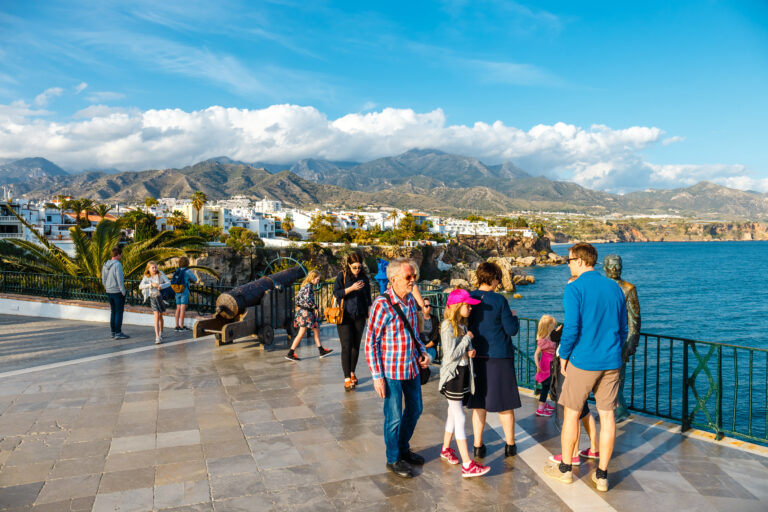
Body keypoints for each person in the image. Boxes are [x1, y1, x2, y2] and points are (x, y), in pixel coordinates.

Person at [543, 242, 627, 493]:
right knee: (608, 416)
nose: (568, 265)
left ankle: (566, 469)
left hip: (584, 361)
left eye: (569, 261)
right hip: (611, 361)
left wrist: (565, 357)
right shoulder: (614, 288)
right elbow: (623, 328)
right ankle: (602, 476)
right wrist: (613, 350)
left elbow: (571, 328)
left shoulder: (575, 288)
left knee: (571, 413)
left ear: (580, 261)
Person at [365, 257, 430, 478]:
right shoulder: (381, 305)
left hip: (411, 367)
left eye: (415, 277)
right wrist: (377, 376)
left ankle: (403, 448)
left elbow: (414, 334)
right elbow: (371, 341)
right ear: (393, 279)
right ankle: (393, 458)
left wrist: (422, 351)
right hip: (391, 371)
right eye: (408, 277)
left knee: (416, 409)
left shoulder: (411, 301)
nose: (413, 281)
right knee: (393, 417)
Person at [467, 261, 520, 459]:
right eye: (498, 278)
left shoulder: (469, 298)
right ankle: (510, 445)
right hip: (499, 357)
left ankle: (478, 446)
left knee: (479, 403)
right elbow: (511, 329)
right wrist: (513, 317)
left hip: (476, 355)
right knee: (505, 404)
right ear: (493, 278)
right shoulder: (499, 301)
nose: (499, 282)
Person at [438, 289, 490, 478]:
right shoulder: (447, 326)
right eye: (467, 305)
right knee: (459, 417)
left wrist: (470, 351)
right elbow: (450, 354)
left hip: (461, 374)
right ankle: (467, 464)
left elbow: (459, 351)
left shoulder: (459, 325)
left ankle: (445, 449)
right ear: (457, 306)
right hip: (453, 377)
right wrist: (467, 339)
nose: (469, 308)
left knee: (453, 414)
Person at [603, 254, 641, 422]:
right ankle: (611, 408)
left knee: (617, 378)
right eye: (611, 266)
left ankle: (619, 410)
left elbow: (634, 319)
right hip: (601, 340)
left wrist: (630, 345)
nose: (614, 269)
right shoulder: (600, 286)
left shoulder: (628, 288)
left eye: (617, 266)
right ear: (604, 267)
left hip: (620, 341)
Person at [333, 252, 372, 390]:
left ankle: (352, 372)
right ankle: (347, 378)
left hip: (360, 315)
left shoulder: (364, 279)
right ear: (349, 265)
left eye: (359, 267)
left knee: (356, 346)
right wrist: (351, 288)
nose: (357, 270)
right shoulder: (341, 276)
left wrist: (369, 313)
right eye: (354, 267)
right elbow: (336, 293)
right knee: (346, 346)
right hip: (344, 316)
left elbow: (368, 298)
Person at [286, 270, 333, 361]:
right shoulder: (308, 286)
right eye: (317, 279)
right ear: (312, 278)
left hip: (306, 312)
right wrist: (315, 307)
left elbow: (298, 299)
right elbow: (307, 300)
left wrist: (300, 306)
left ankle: (321, 350)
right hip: (306, 313)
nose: (318, 281)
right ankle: (290, 353)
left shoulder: (305, 286)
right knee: (301, 333)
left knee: (316, 330)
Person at [139, 261, 170, 345]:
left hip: (161, 297)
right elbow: (140, 286)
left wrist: (161, 286)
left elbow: (169, 283)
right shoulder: (146, 276)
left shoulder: (160, 274)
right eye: (153, 267)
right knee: (156, 315)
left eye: (155, 267)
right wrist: (151, 285)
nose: (155, 269)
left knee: (160, 316)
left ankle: (161, 332)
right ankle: (157, 337)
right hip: (153, 297)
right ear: (148, 268)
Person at [102, 246, 129, 339]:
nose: (121, 256)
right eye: (121, 255)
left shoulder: (105, 264)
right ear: (118, 254)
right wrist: (123, 291)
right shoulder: (118, 265)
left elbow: (103, 279)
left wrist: (107, 287)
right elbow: (120, 279)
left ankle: (113, 332)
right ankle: (118, 333)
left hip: (109, 291)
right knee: (119, 312)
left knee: (113, 311)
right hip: (117, 292)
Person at [534, 315, 558, 417]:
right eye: (552, 327)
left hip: (550, 365)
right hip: (546, 367)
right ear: (548, 327)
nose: (554, 328)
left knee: (548, 386)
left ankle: (543, 404)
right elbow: (536, 354)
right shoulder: (543, 340)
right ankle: (540, 409)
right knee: (545, 387)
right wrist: (538, 366)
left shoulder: (550, 337)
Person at [173, 256, 199, 332]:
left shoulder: (177, 270)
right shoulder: (187, 271)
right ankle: (181, 326)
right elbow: (195, 279)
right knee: (183, 308)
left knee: (178, 308)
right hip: (184, 291)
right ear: (187, 263)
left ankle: (177, 326)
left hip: (177, 290)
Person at [419, 298, 441, 363]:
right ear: (421, 307)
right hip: (419, 347)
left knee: (425, 359)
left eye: (429, 306)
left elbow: (435, 338)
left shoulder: (434, 319)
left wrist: (425, 347)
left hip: (430, 348)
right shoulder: (418, 318)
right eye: (426, 306)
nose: (429, 307)